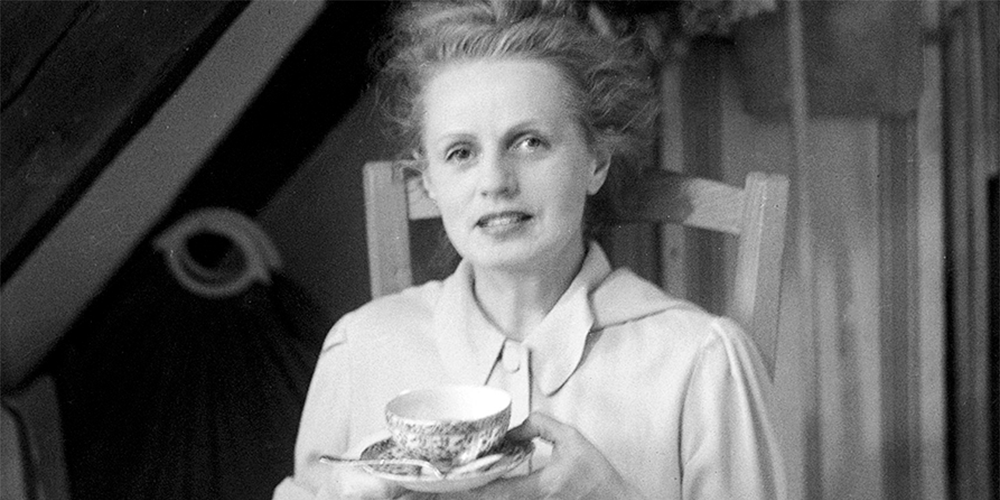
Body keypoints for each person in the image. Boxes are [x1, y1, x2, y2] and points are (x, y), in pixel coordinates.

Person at [273, 0, 786, 498]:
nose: (495, 181)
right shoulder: (358, 350)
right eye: (460, 153)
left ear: (596, 162)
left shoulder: (700, 360)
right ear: (427, 179)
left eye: (529, 142)